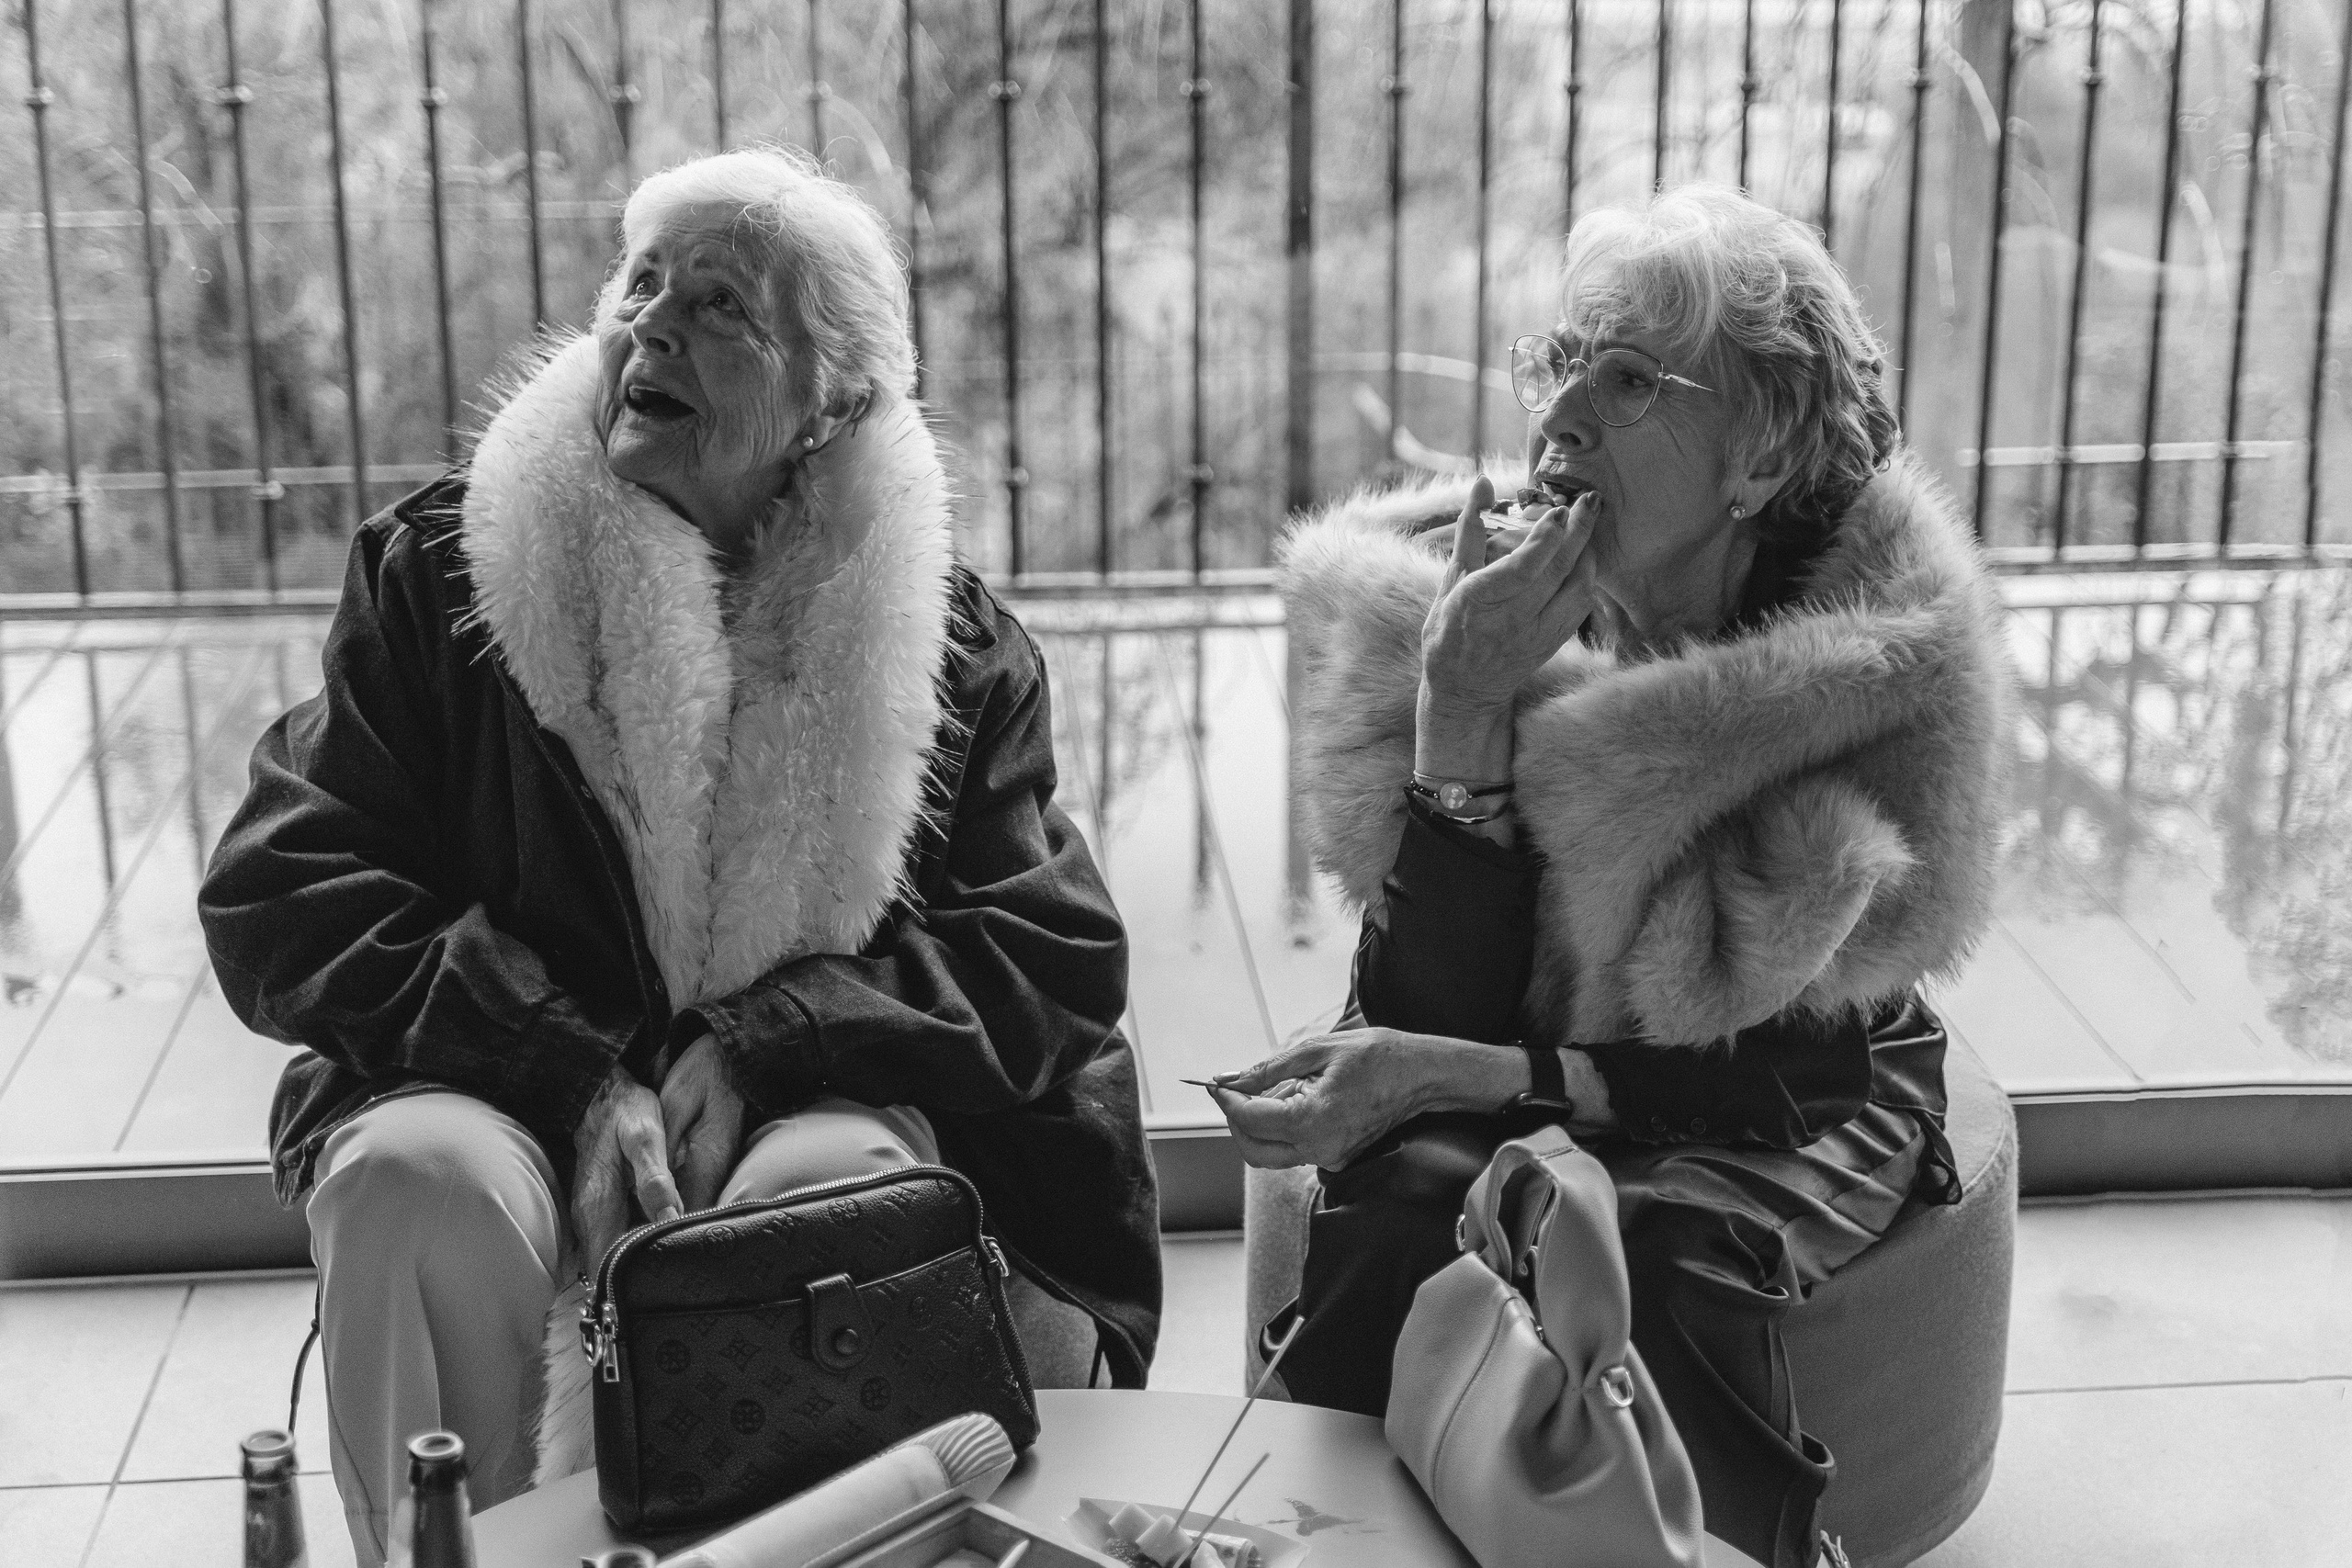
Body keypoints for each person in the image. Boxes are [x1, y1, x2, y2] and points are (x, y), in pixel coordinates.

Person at [198, 149, 1158, 1565]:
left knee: (831, 1184)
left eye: (720, 308)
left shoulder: (942, 649)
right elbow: (282, 887)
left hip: (799, 1100)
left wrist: (774, 1039)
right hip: (503, 1087)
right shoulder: (440, 582)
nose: (652, 325)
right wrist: (565, 1068)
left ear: (833, 402)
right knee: (415, 1176)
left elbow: (1047, 955)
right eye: (639, 284)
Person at [1214, 185, 2007, 1568]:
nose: (1560, 416)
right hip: (1573, 1066)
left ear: (1758, 455)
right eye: (1559, 360)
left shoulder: (1868, 680)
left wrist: (1457, 1075)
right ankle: (1293, 1539)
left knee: (1649, 1241)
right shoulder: (1501, 603)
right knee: (1410, 1191)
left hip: (1802, 1088)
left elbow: (1755, 1078)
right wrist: (1461, 699)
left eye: (1629, 377)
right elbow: (1426, 996)